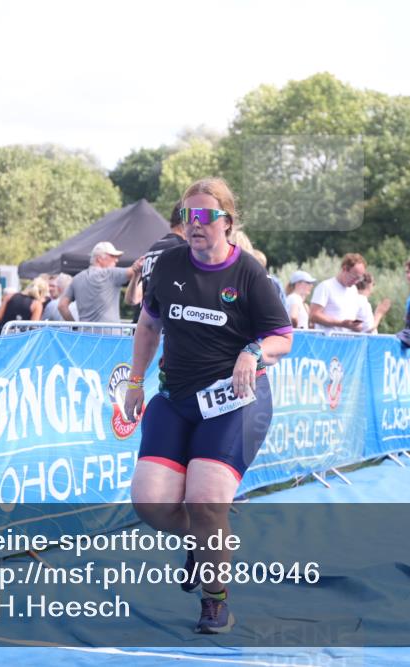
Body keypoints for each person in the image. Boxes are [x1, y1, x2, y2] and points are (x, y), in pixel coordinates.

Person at [123, 177, 292, 635]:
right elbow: (147, 326)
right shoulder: (167, 265)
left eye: (206, 216)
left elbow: (283, 337)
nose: (195, 224)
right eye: (188, 215)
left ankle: (215, 601)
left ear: (227, 223)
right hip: (176, 400)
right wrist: (135, 382)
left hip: (233, 404)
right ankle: (205, 540)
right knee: (150, 503)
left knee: (205, 501)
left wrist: (253, 351)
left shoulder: (250, 274)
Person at [126, 202, 189, 320]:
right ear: (185, 222)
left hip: (144, 321)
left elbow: (134, 298)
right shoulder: (181, 248)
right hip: (161, 325)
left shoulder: (154, 248)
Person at [59, 241, 132, 323]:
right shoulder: (110, 274)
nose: (116, 260)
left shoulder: (77, 278)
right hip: (110, 334)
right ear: (99, 259)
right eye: (112, 256)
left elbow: (62, 306)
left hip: (85, 333)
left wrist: (75, 326)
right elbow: (135, 270)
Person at [308, 253, 370, 333]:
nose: (356, 282)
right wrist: (341, 324)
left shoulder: (353, 290)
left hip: (347, 341)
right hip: (327, 341)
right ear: (344, 269)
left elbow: (348, 317)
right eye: (354, 277)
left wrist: (356, 326)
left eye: (359, 279)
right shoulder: (325, 286)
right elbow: (313, 316)